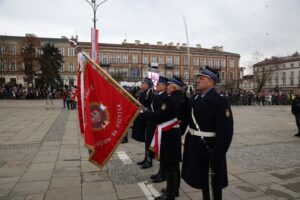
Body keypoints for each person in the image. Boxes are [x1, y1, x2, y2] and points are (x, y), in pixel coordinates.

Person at [182, 66, 234, 200]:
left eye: (201, 78)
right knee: (203, 182)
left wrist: (217, 155)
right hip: (196, 146)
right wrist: (183, 99)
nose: (197, 81)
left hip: (209, 147)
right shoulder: (195, 98)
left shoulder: (220, 101)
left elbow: (226, 133)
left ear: (211, 82)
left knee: (213, 184)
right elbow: (185, 118)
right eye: (198, 78)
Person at [144, 76, 185, 200]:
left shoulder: (169, 100)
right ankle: (174, 190)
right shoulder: (182, 99)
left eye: (168, 85)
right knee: (175, 165)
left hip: (168, 135)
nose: (167, 87)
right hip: (175, 133)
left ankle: (170, 194)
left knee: (170, 166)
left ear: (173, 87)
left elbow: (158, 117)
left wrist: (145, 112)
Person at [147, 76, 168, 178]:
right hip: (154, 123)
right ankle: (161, 171)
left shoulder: (164, 96)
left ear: (164, 86)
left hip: (159, 124)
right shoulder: (157, 95)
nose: (156, 86)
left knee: (162, 150)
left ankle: (163, 172)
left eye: (158, 84)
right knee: (156, 148)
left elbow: (160, 112)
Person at [132, 77, 154, 166]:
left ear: (148, 85)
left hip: (147, 118)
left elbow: (150, 104)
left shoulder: (150, 92)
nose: (141, 84)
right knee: (145, 139)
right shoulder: (143, 92)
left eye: (143, 83)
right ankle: (146, 158)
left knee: (148, 139)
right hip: (142, 117)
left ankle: (149, 160)